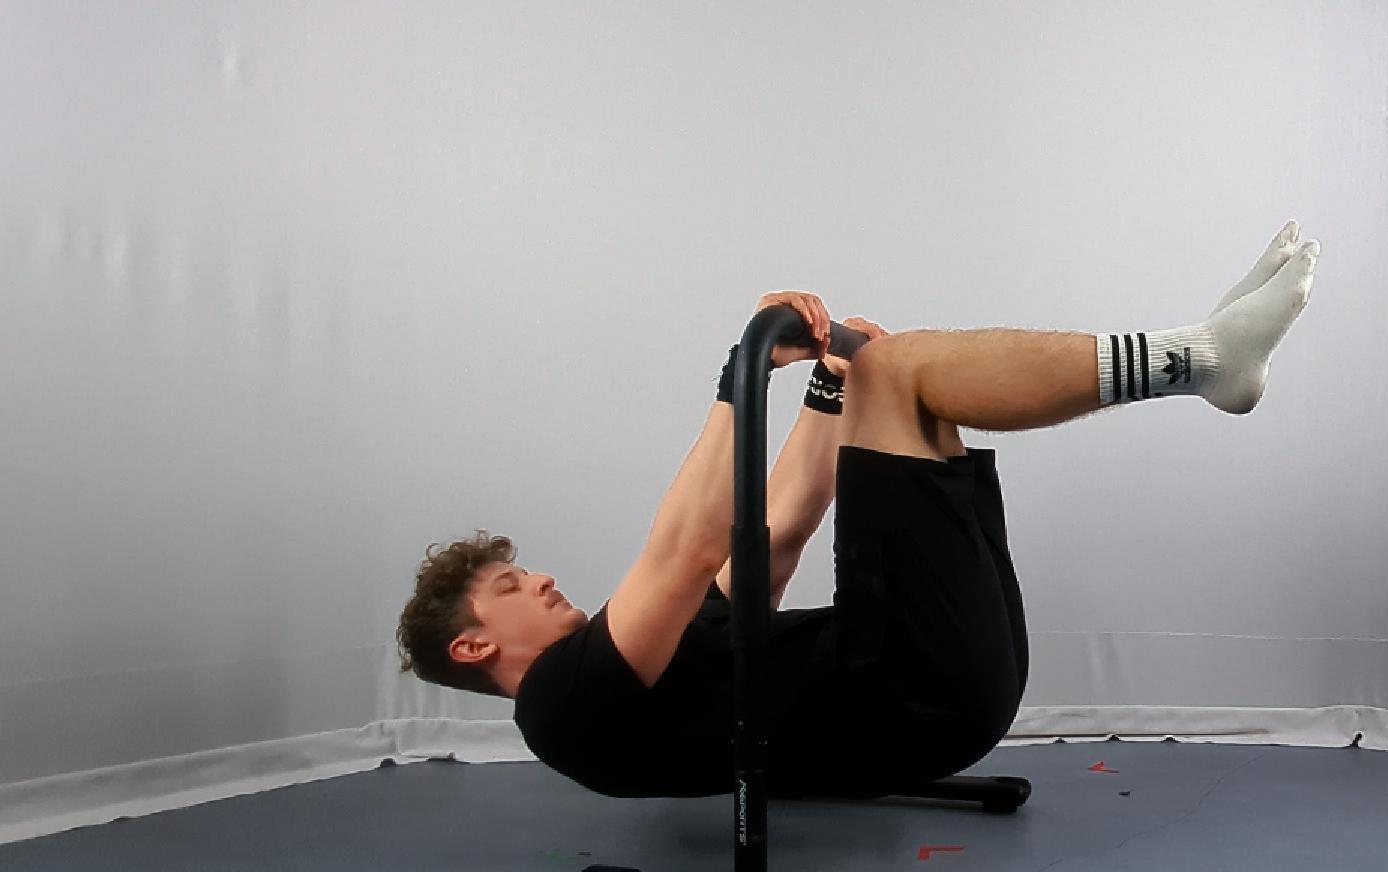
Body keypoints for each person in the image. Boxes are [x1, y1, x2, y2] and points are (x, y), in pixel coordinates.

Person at [394, 222, 1320, 798]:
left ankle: (1198, 351)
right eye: (512, 585)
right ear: (475, 647)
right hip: (911, 688)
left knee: (885, 380)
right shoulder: (561, 706)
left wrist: (828, 393)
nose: (545, 578)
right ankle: (1197, 359)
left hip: (939, 682)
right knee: (903, 368)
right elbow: (685, 546)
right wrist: (740, 370)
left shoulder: (642, 657)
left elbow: (776, 526)